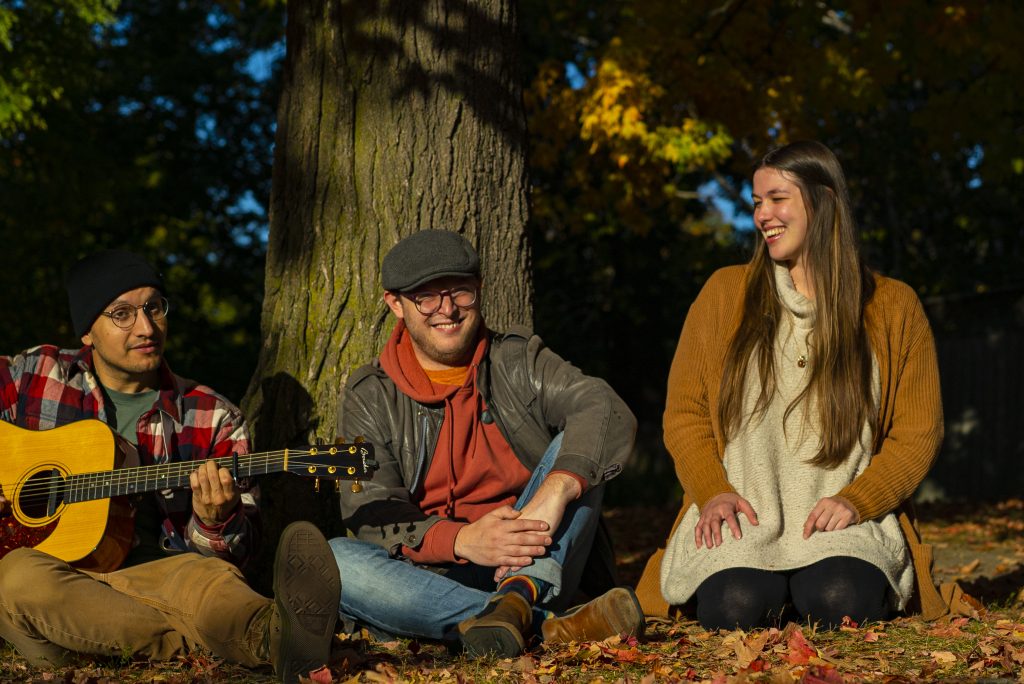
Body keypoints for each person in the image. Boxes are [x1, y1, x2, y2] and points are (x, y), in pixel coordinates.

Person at [634, 141, 947, 629]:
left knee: (840, 598)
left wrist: (859, 500)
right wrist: (712, 491)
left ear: (823, 201)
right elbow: (685, 414)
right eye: (757, 202)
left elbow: (918, 433)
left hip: (843, 520)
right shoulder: (724, 294)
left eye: (777, 199)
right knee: (735, 605)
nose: (762, 215)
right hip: (743, 515)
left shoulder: (892, 306)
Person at [0, 250, 339, 683]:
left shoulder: (213, 416)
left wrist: (215, 521)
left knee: (207, 580)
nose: (146, 327)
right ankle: (204, 643)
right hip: (50, 576)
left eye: (154, 307)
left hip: (155, 572)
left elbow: (239, 554)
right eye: (122, 314)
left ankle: (275, 637)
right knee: (18, 578)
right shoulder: (36, 374)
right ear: (87, 332)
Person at [329, 230, 644, 658]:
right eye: (426, 297)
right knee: (336, 561)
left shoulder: (518, 361)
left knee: (580, 446)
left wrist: (555, 492)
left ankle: (517, 600)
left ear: (478, 289)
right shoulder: (370, 395)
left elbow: (602, 406)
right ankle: (538, 625)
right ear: (396, 304)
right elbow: (372, 511)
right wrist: (463, 539)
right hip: (435, 576)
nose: (447, 309)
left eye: (460, 291)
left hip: (536, 556)